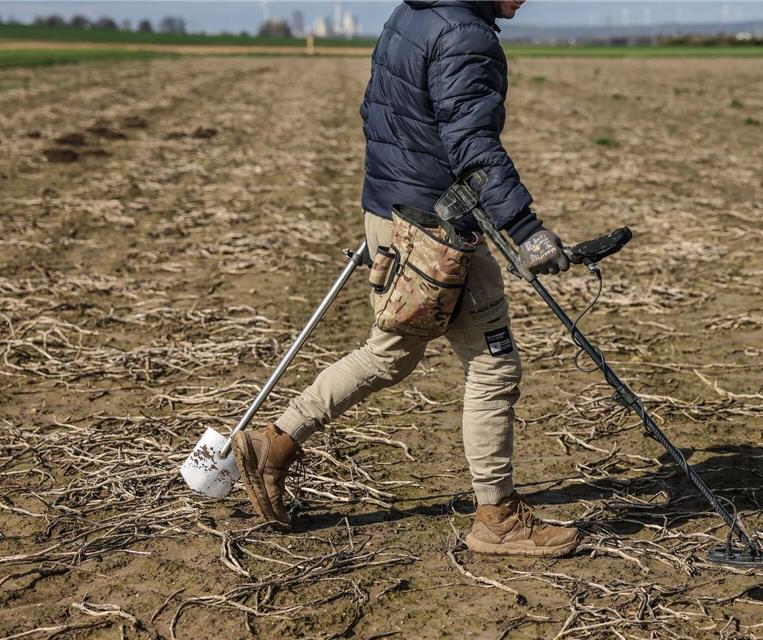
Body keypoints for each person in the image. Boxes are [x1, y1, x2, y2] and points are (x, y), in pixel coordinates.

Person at [232, 0, 577, 558]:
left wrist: (398, 203)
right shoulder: (465, 34)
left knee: (390, 354)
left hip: (394, 215)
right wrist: (525, 229)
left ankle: (273, 444)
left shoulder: (412, 13)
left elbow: (376, 111)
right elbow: (475, 147)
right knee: (493, 363)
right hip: (436, 230)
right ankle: (498, 520)